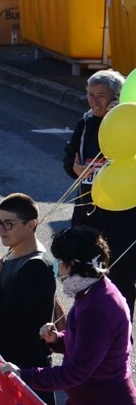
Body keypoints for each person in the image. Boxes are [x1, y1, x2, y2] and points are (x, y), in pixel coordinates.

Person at [10, 227, 136, 405]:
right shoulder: (92, 292)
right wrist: (56, 340)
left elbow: (75, 371)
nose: (58, 269)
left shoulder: (98, 306)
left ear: (74, 264)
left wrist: (24, 376)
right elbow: (88, 344)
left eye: (60, 263)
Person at [0, 193, 60, 405]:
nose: (1, 229)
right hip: (3, 359)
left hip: (24, 366)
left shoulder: (36, 266)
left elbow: (8, 315)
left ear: (31, 225)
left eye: (9, 223)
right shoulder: (14, 251)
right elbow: (3, 297)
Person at [65, 72, 136, 305]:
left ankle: (122, 335)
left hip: (121, 218)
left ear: (116, 98)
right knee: (82, 276)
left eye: (101, 96)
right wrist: (74, 169)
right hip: (87, 212)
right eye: (90, 95)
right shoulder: (85, 122)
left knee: (119, 282)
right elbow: (69, 158)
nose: (94, 101)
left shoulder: (129, 123)